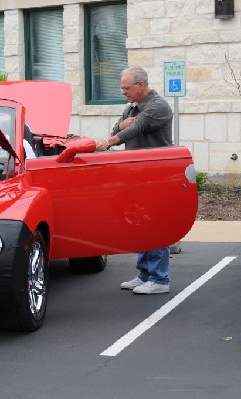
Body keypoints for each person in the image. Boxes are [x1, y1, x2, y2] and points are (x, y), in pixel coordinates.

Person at [95, 66, 173, 295]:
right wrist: (120, 125)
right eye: (122, 88)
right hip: (138, 175)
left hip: (155, 175)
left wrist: (109, 141)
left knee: (155, 224)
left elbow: (135, 128)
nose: (123, 93)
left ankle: (160, 278)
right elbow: (118, 127)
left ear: (141, 85)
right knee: (141, 222)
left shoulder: (158, 106)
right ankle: (145, 274)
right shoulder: (133, 107)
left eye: (126, 88)